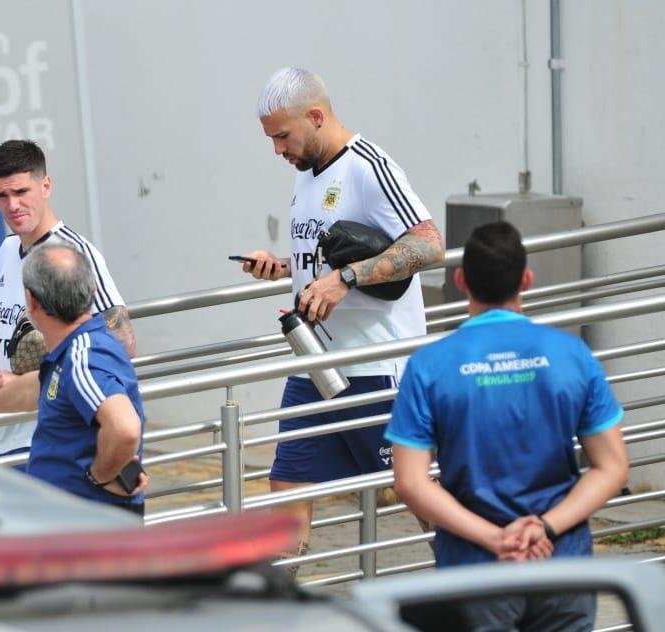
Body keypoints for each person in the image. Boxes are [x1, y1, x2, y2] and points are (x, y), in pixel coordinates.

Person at [387, 221, 629, 631]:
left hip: (475, 567)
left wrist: (495, 539)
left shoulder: (430, 365)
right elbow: (612, 468)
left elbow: (410, 482)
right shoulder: (572, 355)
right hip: (561, 561)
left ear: (461, 281)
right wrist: (545, 527)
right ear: (527, 280)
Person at [241, 68, 444, 557]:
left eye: (282, 136)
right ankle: (282, 603)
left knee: (418, 493)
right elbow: (336, 253)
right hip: (314, 364)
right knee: (288, 487)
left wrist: (346, 279)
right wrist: (287, 268)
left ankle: (480, 588)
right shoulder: (306, 175)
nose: (277, 150)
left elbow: (429, 244)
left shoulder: (368, 166)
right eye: (270, 139)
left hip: (376, 366)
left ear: (315, 116)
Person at [0, 140, 135, 460]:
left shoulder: (72, 252)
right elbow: (8, 346)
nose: (12, 205)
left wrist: (39, 374)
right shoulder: (6, 251)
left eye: (21, 192)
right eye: (2, 196)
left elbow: (123, 342)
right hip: (14, 439)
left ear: (46, 186)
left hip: (67, 440)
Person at [19, 242, 147, 512]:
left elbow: (125, 428)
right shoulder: (79, 348)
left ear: (31, 300)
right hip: (81, 522)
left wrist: (97, 477)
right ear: (93, 290)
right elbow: (41, 386)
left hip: (84, 523)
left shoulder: (83, 357)